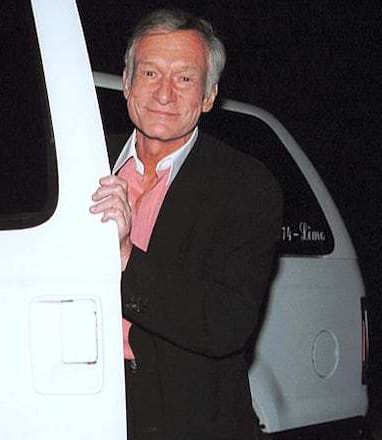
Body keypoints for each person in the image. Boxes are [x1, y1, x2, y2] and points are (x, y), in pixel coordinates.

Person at [89, 8, 283, 440]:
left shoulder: (244, 185)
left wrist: (125, 257)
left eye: (184, 78)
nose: (164, 94)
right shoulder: (78, 165)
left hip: (188, 421)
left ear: (209, 95)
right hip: (81, 404)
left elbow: (225, 320)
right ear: (126, 81)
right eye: (151, 73)